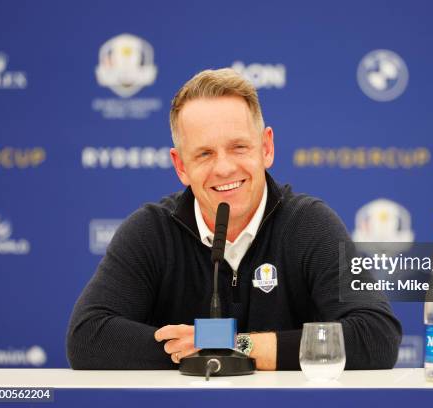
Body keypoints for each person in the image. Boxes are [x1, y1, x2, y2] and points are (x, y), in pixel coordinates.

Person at [66, 68, 402, 370]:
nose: (224, 168)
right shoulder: (152, 230)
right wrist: (201, 353)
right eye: (204, 153)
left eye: (239, 147)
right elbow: (88, 336)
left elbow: (376, 336)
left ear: (266, 148)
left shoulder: (310, 225)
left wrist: (234, 345)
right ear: (181, 166)